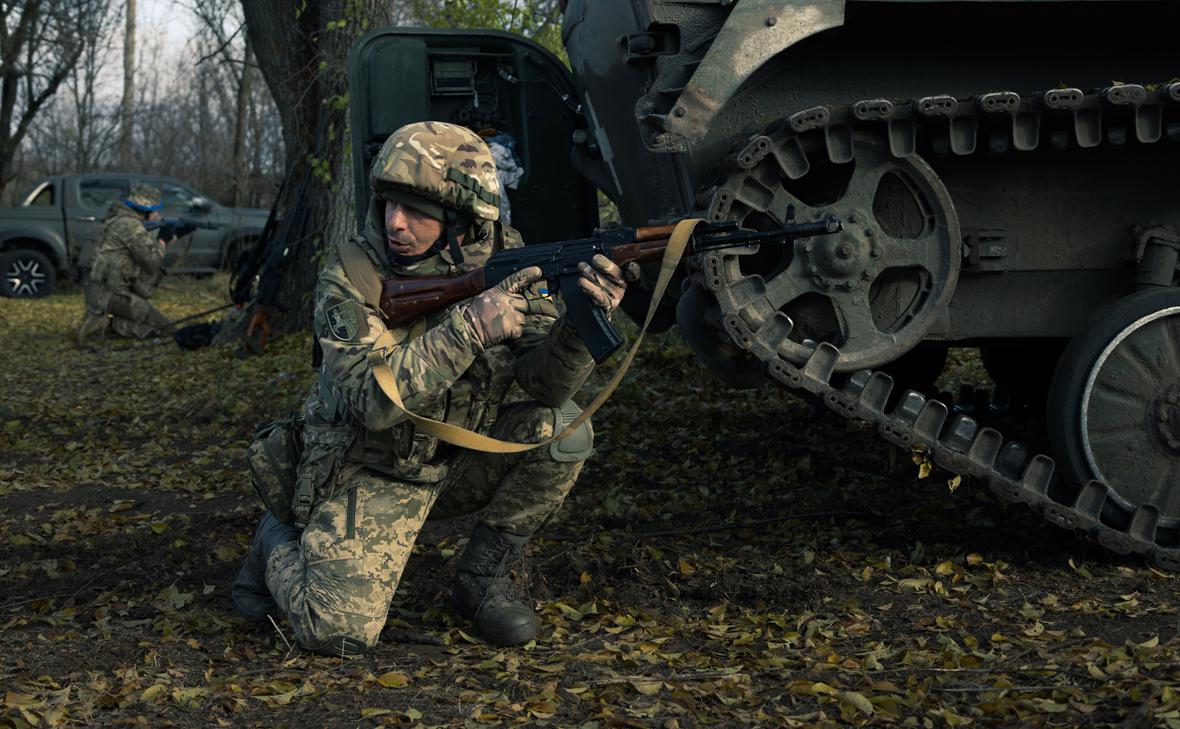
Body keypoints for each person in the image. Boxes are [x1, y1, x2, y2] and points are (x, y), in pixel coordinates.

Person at [231, 121, 631, 655]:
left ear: (463, 220)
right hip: (369, 466)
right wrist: (470, 329)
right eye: (390, 204)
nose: (396, 223)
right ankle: (275, 541)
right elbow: (372, 403)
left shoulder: (507, 256)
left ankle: (481, 582)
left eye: (417, 211)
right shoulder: (352, 273)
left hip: (458, 455)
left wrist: (580, 325)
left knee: (564, 432)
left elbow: (544, 385)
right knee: (336, 633)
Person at [76, 184, 175, 343]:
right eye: (155, 211)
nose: (157, 215)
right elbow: (151, 263)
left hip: (97, 291)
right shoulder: (132, 226)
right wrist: (163, 244)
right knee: (166, 328)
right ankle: (107, 324)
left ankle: (101, 319)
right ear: (147, 211)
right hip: (111, 295)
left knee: (147, 317)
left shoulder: (114, 219)